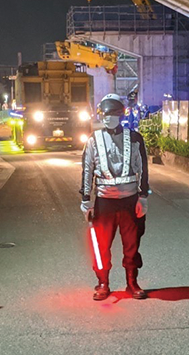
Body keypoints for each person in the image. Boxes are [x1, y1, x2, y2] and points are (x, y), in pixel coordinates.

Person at [79, 94, 150, 301]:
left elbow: (144, 169)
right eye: (106, 114)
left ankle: (132, 282)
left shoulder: (135, 138)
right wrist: (86, 199)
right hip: (104, 202)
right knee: (101, 246)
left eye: (114, 113)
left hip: (130, 200)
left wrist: (143, 196)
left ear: (121, 114)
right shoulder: (93, 139)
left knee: (132, 244)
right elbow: (87, 170)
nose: (109, 118)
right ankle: (103, 282)